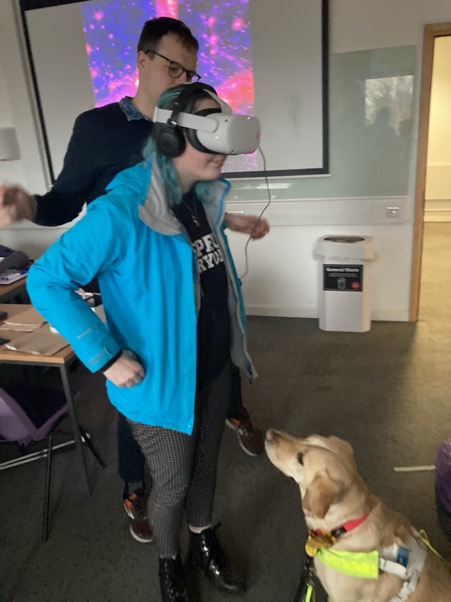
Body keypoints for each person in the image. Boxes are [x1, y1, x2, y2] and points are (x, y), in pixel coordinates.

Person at [0, 17, 268, 544]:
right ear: (142, 60)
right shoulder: (101, 132)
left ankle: (190, 504)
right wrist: (27, 204)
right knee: (141, 396)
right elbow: (63, 206)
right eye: (173, 66)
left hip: (191, 298)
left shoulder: (196, 126)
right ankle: (137, 490)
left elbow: (192, 204)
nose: (182, 77)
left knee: (199, 400)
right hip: (131, 290)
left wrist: (229, 220)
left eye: (191, 69)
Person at [27, 82, 257, 601]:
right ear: (172, 140)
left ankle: (203, 535)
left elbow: (191, 264)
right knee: (171, 484)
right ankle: (168, 561)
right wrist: (104, 357)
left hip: (213, 365)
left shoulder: (201, 192)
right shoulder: (121, 209)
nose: (222, 152)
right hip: (157, 383)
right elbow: (46, 280)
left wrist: (233, 222)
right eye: (209, 137)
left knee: (205, 467)